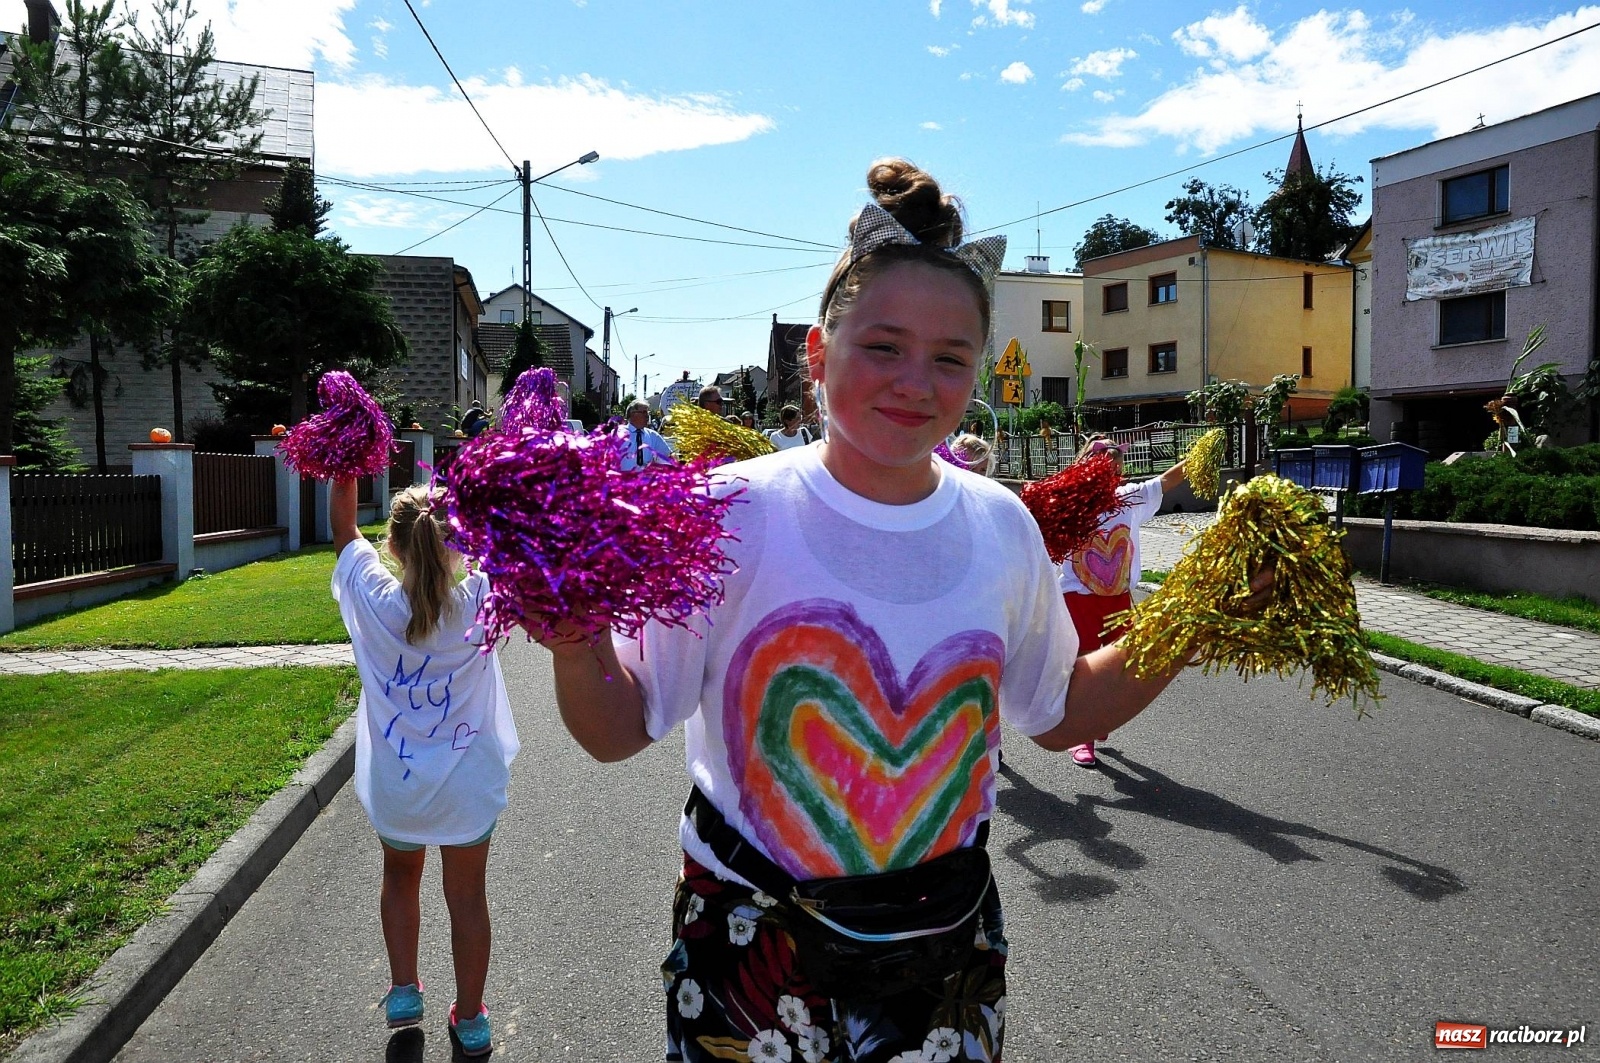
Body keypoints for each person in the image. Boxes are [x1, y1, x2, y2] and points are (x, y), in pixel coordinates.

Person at [532, 159, 1268, 1063]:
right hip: (750, 955)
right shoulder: (726, 514)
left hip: (941, 955)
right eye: (883, 346)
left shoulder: (1001, 528)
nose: (916, 381)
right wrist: (572, 641)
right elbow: (617, 728)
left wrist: (1198, 615)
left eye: (950, 357)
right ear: (817, 355)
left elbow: (1061, 709)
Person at [329, 479, 519, 1058]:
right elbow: (521, 540)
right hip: (467, 788)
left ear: (392, 547)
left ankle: (404, 990)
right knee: (468, 897)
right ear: (459, 544)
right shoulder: (483, 599)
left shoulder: (372, 599)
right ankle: (471, 1017)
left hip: (398, 787)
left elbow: (343, 528)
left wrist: (347, 462)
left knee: (399, 876)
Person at [1057, 436, 1190, 768]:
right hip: (1078, 597)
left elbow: (1166, 480)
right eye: (1102, 466)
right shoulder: (1069, 501)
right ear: (1085, 465)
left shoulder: (1127, 498)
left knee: (1119, 667)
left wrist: (1202, 453)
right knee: (1084, 668)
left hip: (1116, 599)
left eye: (1115, 467)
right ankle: (1082, 736)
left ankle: (1096, 718)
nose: (1110, 473)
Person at [621, 399, 673, 472]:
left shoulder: (653, 436)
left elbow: (669, 458)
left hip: (646, 478)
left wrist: (657, 468)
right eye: (644, 412)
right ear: (633, 414)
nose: (647, 416)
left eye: (648, 413)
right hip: (622, 478)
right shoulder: (618, 434)